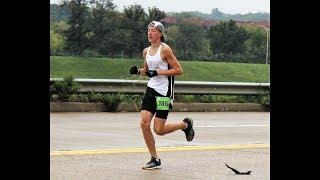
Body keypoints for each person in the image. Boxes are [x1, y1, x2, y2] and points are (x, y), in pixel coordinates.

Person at [129, 20, 195, 170]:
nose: (149, 33)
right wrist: (138, 71)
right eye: (148, 30)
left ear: (160, 33)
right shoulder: (146, 51)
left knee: (159, 130)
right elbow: (147, 71)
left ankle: (185, 125)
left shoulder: (165, 50)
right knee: (144, 123)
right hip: (151, 90)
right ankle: (155, 159)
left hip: (164, 93)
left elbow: (179, 70)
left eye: (152, 30)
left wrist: (159, 72)